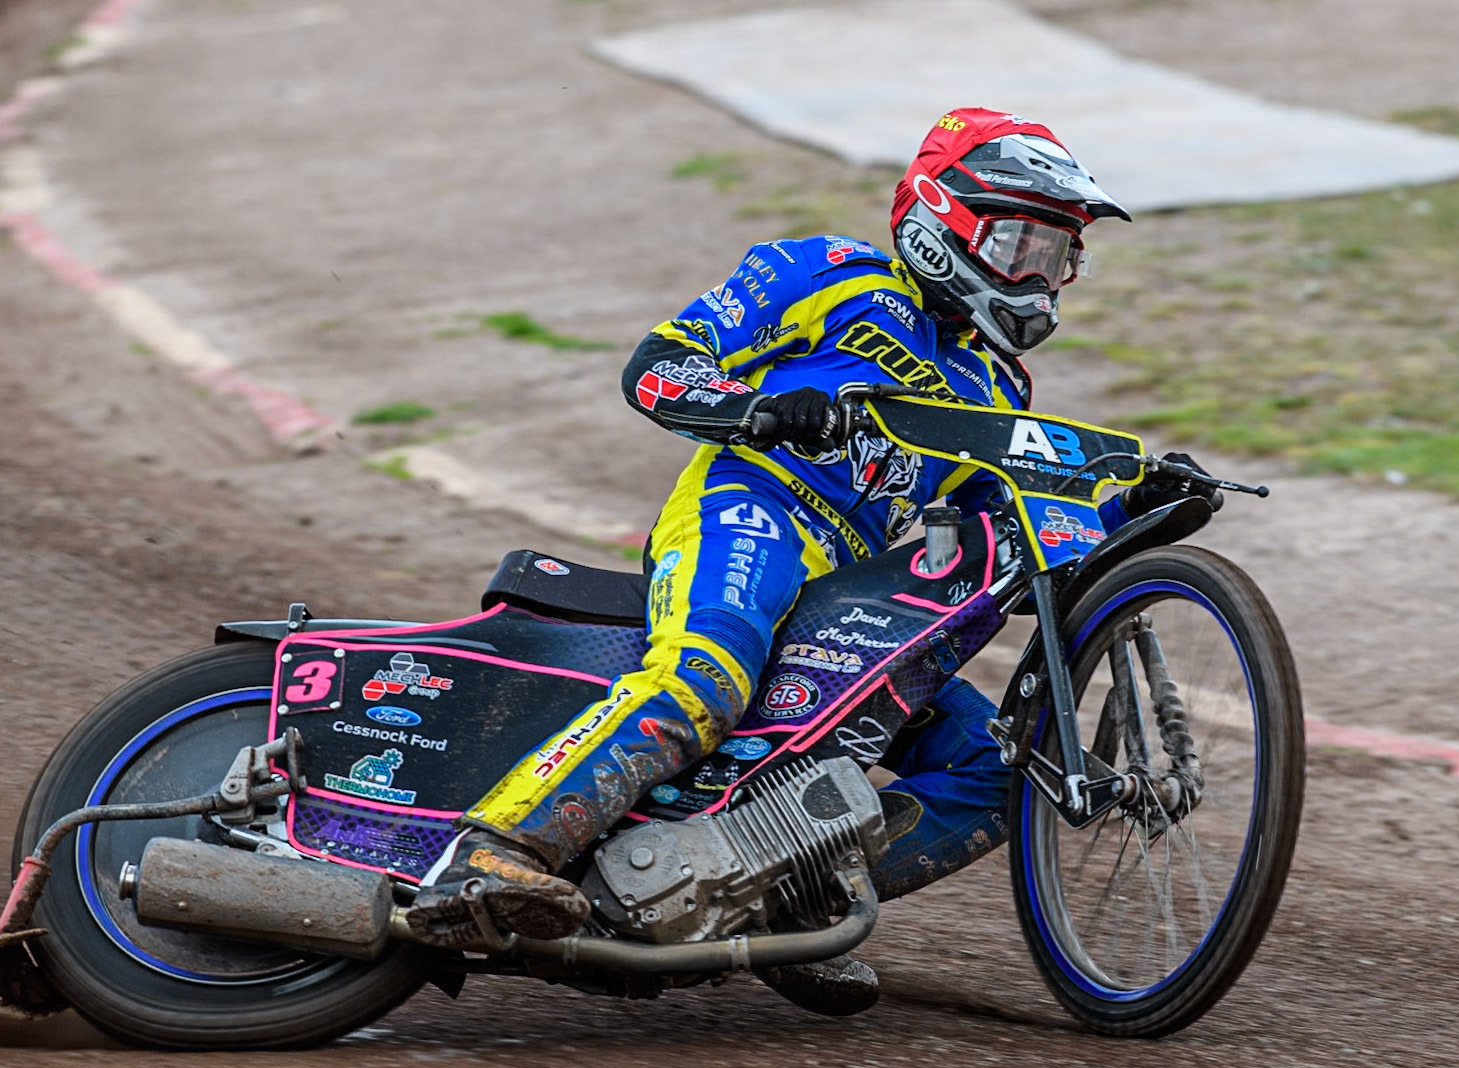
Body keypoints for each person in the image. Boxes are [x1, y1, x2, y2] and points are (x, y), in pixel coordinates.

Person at [408, 109, 1219, 1010]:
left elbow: (1011, 548)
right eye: (1017, 244)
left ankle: (783, 899)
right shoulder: (825, 272)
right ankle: (494, 850)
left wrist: (1130, 513)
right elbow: (659, 366)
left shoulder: (999, 385)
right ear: (941, 220)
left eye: (1055, 255)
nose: (1035, 275)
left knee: (1004, 770)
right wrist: (758, 410)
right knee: (705, 678)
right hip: (746, 512)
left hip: (850, 595)